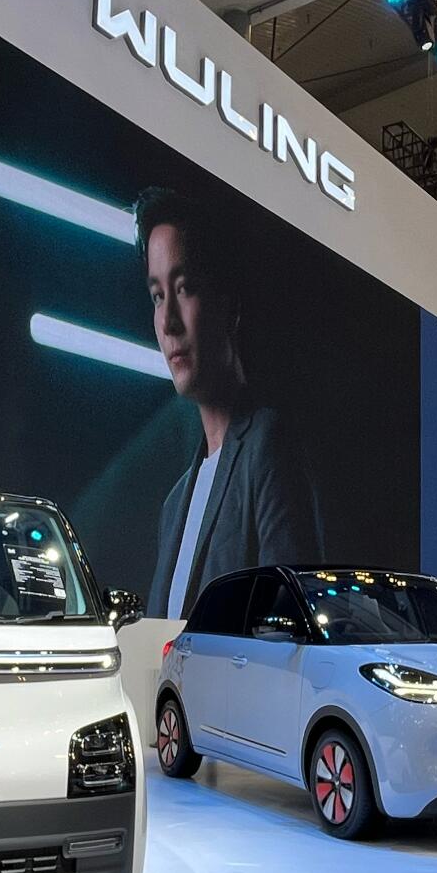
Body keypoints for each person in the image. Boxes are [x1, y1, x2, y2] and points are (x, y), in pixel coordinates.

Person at [138, 187, 322, 619]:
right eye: (157, 296)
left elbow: (291, 620)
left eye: (184, 288)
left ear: (229, 305)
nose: (168, 322)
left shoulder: (267, 444)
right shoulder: (174, 502)